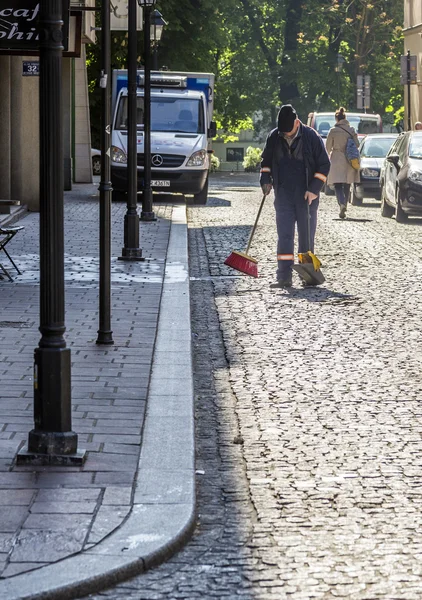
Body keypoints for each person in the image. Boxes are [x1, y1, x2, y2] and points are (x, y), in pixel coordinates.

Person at [259, 104, 330, 288]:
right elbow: (266, 162)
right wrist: (265, 180)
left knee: (306, 237)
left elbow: (324, 165)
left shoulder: (311, 137)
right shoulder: (274, 136)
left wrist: (314, 189)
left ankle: (308, 275)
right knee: (285, 236)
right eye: (284, 133)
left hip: (306, 194)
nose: (287, 136)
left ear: (297, 123)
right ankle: (284, 276)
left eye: (289, 132)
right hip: (283, 193)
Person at [325, 107, 360, 219]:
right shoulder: (351, 130)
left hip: (337, 159)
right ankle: (344, 203)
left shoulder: (333, 131)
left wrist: (333, 150)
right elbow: (357, 144)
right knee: (347, 183)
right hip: (350, 159)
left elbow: (327, 147)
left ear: (337, 119)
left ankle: (341, 203)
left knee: (337, 184)